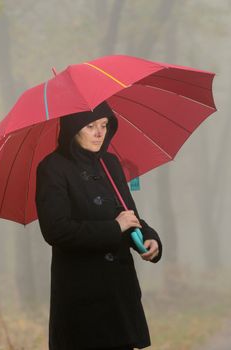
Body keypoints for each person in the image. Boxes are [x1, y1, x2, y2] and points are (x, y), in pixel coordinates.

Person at [35, 101, 162, 350]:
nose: (99, 133)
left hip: (119, 292)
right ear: (72, 128)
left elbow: (129, 214)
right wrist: (114, 228)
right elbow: (56, 230)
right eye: (90, 126)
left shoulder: (110, 163)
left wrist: (150, 238)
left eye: (104, 125)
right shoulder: (52, 168)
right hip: (82, 295)